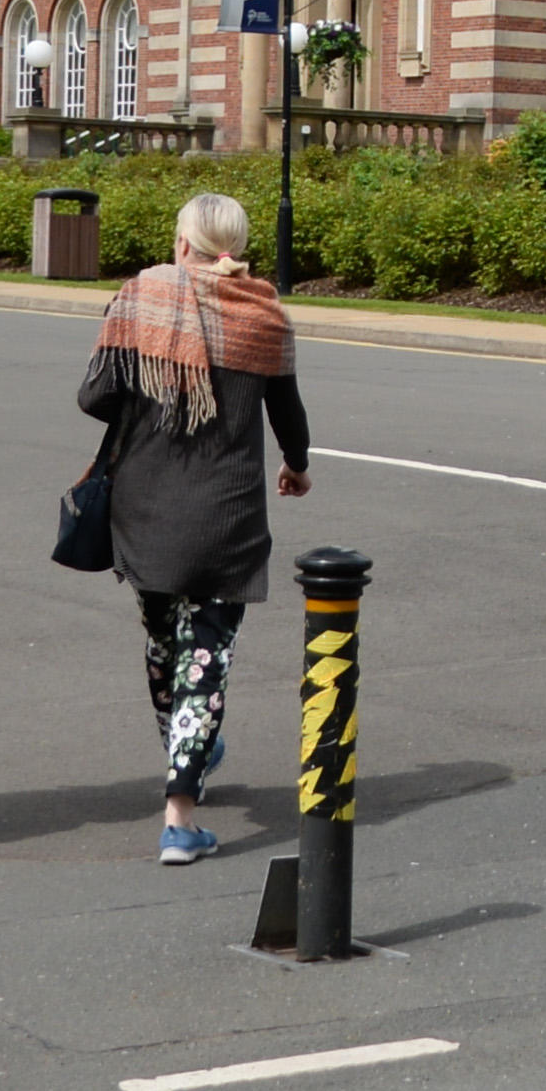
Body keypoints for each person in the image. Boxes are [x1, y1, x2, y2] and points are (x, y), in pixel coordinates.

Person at [77, 191, 312, 866]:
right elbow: (288, 415)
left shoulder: (141, 297)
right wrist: (296, 467)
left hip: (145, 509)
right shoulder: (264, 313)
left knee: (164, 647)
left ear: (184, 245)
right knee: (204, 656)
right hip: (226, 513)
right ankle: (179, 815)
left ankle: (191, 752)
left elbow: (92, 396)